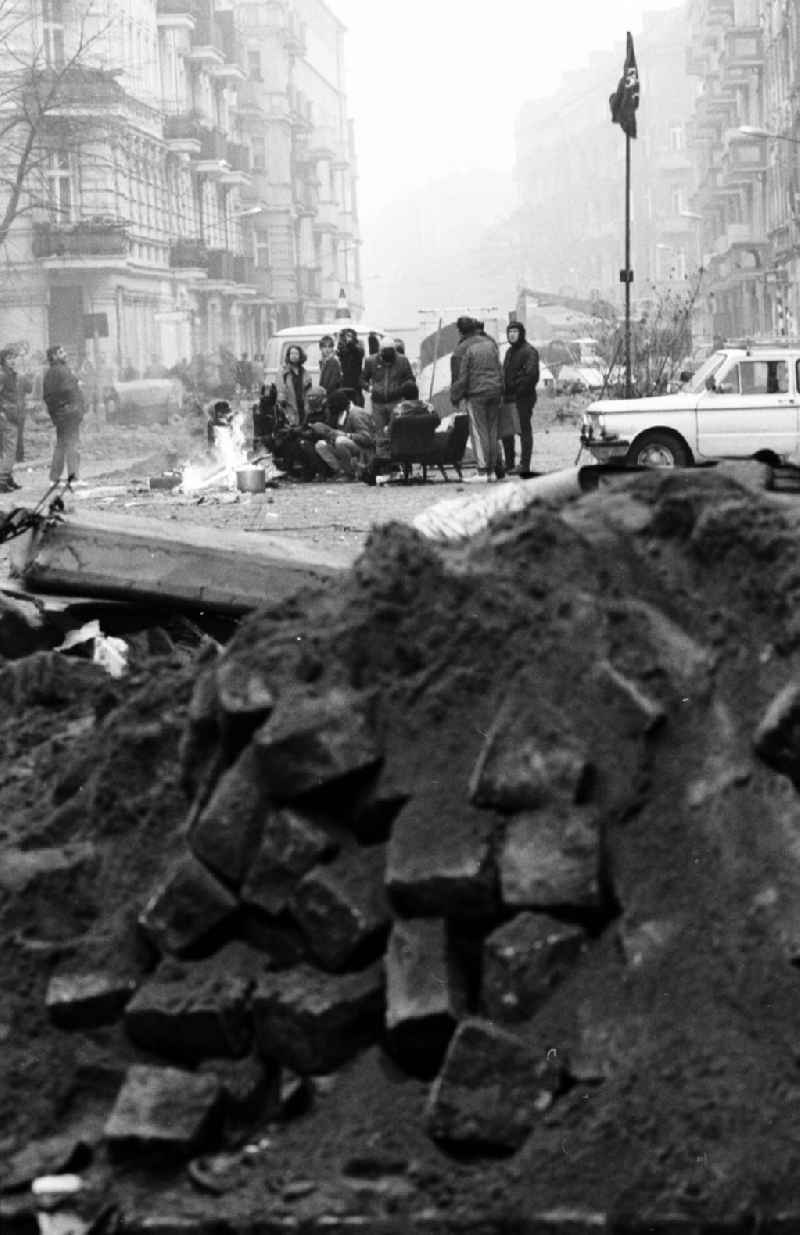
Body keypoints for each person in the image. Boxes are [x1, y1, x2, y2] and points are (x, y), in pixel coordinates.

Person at [450, 317, 503, 483]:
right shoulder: (490, 344)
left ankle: (482, 471)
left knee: (479, 433)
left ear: (460, 331)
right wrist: (502, 389)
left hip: (476, 394)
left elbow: (461, 377)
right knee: (493, 431)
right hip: (495, 392)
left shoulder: (462, 349)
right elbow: (500, 369)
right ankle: (493, 470)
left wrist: (455, 396)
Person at [363, 336, 414, 458]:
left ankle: (398, 462)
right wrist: (369, 388)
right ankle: (383, 464)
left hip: (396, 402)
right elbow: (362, 379)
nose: (387, 362)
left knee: (396, 433)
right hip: (377, 403)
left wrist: (403, 389)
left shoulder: (402, 361)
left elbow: (410, 378)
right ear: (380, 352)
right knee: (380, 436)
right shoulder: (371, 361)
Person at [43, 344, 85, 485]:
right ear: (54, 356)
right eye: (61, 352)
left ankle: (54, 478)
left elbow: (50, 396)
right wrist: (76, 384)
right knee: (72, 444)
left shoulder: (54, 371)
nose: (65, 354)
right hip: (68, 413)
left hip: (63, 414)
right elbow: (66, 390)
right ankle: (73, 477)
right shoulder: (60, 371)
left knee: (62, 445)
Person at [502, 321, 540, 476]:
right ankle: (509, 463)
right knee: (507, 432)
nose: (512, 334)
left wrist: (517, 389)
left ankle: (525, 464)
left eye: (515, 331)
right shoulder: (509, 352)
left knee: (524, 430)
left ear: (521, 333)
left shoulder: (529, 351)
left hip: (523, 397)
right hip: (508, 397)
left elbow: (531, 375)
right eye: (510, 331)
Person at [313, 388, 376, 480]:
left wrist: (346, 435)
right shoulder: (341, 414)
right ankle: (341, 471)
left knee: (340, 441)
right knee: (320, 445)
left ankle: (351, 473)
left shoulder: (356, 414)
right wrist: (328, 432)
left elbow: (368, 439)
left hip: (363, 450)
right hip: (349, 446)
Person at [0, 348, 24, 491]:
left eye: (14, 357)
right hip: (7, 415)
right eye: (9, 358)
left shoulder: (11, 374)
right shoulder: (3, 375)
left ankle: (8, 478)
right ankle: (2, 480)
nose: (13, 360)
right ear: (3, 360)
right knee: (10, 449)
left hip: (13, 414)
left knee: (7, 449)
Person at [278, 344, 311, 426]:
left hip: (303, 407)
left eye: (296, 353)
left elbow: (309, 390)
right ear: (288, 356)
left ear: (300, 356)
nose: (294, 356)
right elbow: (280, 390)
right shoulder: (284, 373)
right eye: (291, 353)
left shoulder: (304, 372)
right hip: (290, 408)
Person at [337, 328, 365, 406]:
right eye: (345, 336)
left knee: (357, 404)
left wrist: (350, 343)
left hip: (355, 384)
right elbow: (340, 354)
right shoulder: (342, 348)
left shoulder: (358, 346)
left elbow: (358, 352)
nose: (347, 338)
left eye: (349, 336)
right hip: (344, 383)